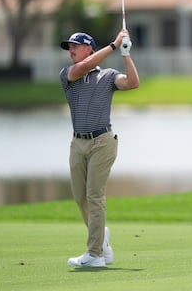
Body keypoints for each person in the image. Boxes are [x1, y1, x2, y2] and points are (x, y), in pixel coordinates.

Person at [59, 29, 139, 268]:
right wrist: (113, 45)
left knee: (95, 196)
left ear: (89, 49)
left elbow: (133, 83)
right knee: (79, 197)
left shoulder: (108, 76)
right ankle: (100, 235)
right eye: (69, 47)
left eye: (76, 46)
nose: (71, 50)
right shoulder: (68, 74)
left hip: (102, 141)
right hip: (77, 143)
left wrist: (125, 53)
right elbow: (82, 68)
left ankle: (95, 254)